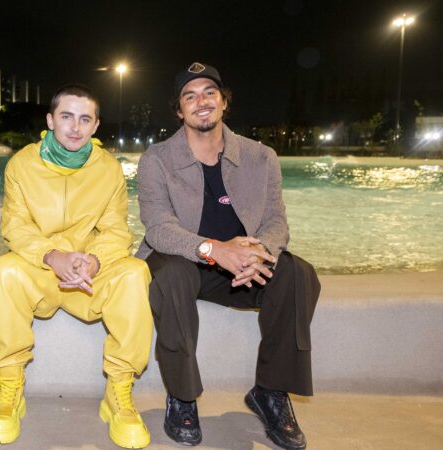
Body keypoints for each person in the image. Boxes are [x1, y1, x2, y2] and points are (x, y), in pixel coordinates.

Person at [136, 62, 321, 450]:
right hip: (184, 259)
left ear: (224, 102)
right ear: (178, 110)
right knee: (170, 276)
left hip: (240, 268)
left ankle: (270, 392)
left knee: (297, 273)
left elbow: (275, 221)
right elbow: (158, 227)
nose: (200, 102)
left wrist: (258, 253)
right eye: (190, 96)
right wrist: (215, 250)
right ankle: (183, 398)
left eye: (209, 93)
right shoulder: (157, 159)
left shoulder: (261, 157)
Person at [0, 84, 154, 449]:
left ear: (95, 126)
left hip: (87, 276)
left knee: (135, 273)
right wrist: (51, 256)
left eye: (85, 119)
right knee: (3, 271)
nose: (75, 127)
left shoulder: (108, 169)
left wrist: (93, 259)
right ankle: (10, 386)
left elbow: (116, 228)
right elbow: (14, 224)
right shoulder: (22, 165)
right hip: (41, 270)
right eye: (67, 117)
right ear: (50, 120)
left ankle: (119, 392)